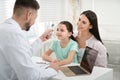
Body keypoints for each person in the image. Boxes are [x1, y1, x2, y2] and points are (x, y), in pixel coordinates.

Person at [0, 0, 59, 80]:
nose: (34, 22)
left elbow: (23, 54)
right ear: (29, 15)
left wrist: (41, 39)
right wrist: (52, 70)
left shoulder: (4, 28)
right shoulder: (15, 35)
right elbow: (29, 76)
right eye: (35, 18)